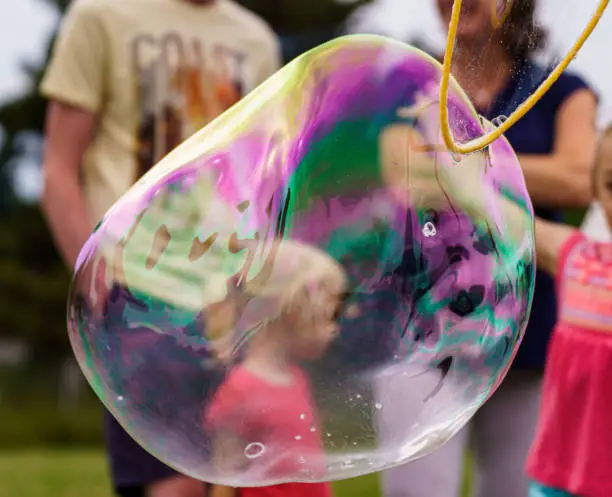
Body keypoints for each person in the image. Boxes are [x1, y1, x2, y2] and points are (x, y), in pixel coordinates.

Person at [39, 0, 281, 495]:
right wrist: (92, 279)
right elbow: (58, 170)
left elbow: (263, 176)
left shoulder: (255, 38)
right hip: (138, 290)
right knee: (173, 482)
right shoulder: (101, 15)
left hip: (230, 294)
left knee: (233, 477)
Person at [375, 1, 598, 497]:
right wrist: (515, 176)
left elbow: (581, 178)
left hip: (529, 334)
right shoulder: (410, 87)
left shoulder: (562, 89)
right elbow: (404, 180)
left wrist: (463, 164)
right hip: (423, 333)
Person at [204, 239, 348, 497]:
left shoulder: (296, 378)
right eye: (329, 316)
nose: (334, 329)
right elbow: (224, 478)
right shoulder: (242, 387)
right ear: (292, 310)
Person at [524, 125, 612, 497]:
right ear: (594, 191)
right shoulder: (579, 259)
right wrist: (458, 143)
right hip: (557, 481)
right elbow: (500, 210)